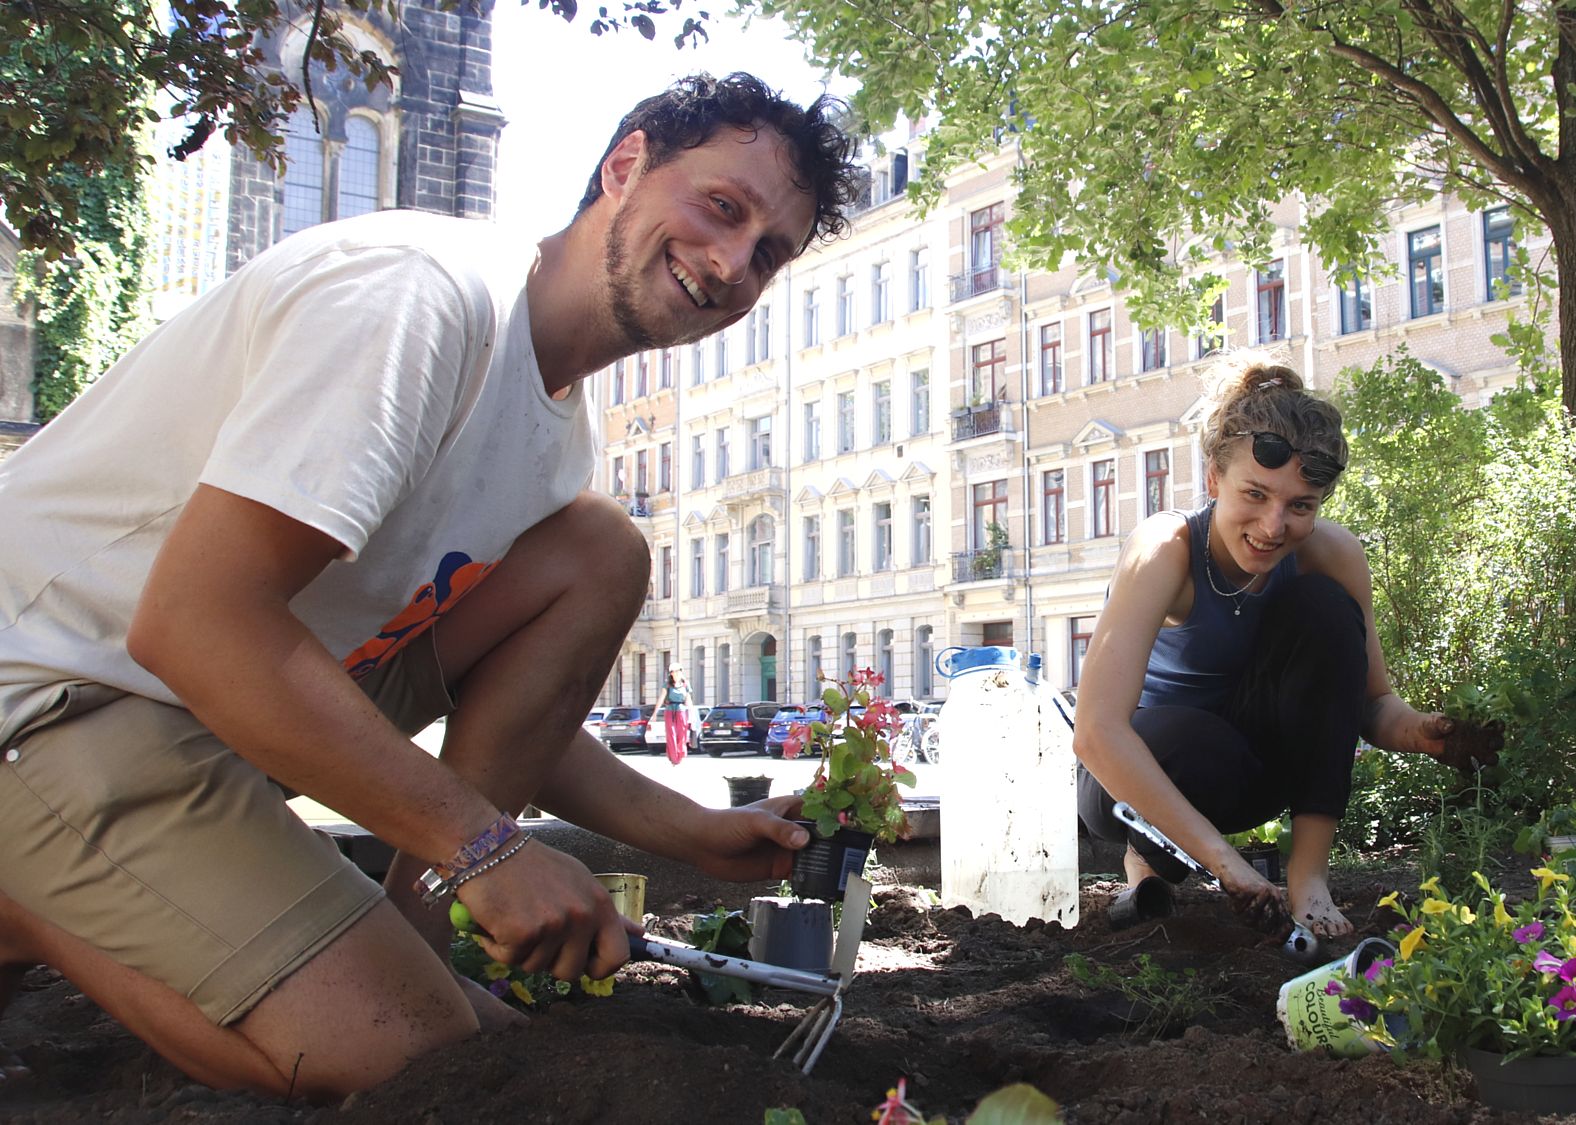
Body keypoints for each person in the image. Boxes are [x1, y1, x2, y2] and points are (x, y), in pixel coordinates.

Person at [0, 73, 864, 1097]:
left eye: (768, 252)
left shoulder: (553, 440)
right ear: (625, 165)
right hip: (52, 694)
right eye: (720, 207)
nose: (729, 263)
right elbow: (197, 622)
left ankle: (418, 935)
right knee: (407, 1061)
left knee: (597, 553)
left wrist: (694, 833)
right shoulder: (423, 299)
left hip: (195, 712)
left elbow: (493, 706)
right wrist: (484, 849)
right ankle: (25, 908)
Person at [1071, 356, 1492, 942]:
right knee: (1191, 741)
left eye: (1300, 506)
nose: (1273, 527)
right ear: (1214, 479)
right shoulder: (1164, 548)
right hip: (1131, 779)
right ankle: (1145, 861)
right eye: (1256, 494)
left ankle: (1308, 877)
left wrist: (1421, 731)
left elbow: (1369, 705)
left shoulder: (1332, 555)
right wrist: (1228, 865)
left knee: (1323, 607)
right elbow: (1096, 733)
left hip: (1248, 774)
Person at [661, 665, 694, 764]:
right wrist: (654, 713)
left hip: (682, 711)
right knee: (671, 735)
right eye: (674, 671)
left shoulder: (685, 684)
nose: (677, 673)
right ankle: (673, 756)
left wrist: (692, 714)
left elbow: (689, 700)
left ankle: (680, 754)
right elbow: (662, 698)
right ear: (671, 673)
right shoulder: (667, 684)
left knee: (682, 734)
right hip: (670, 711)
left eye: (679, 671)